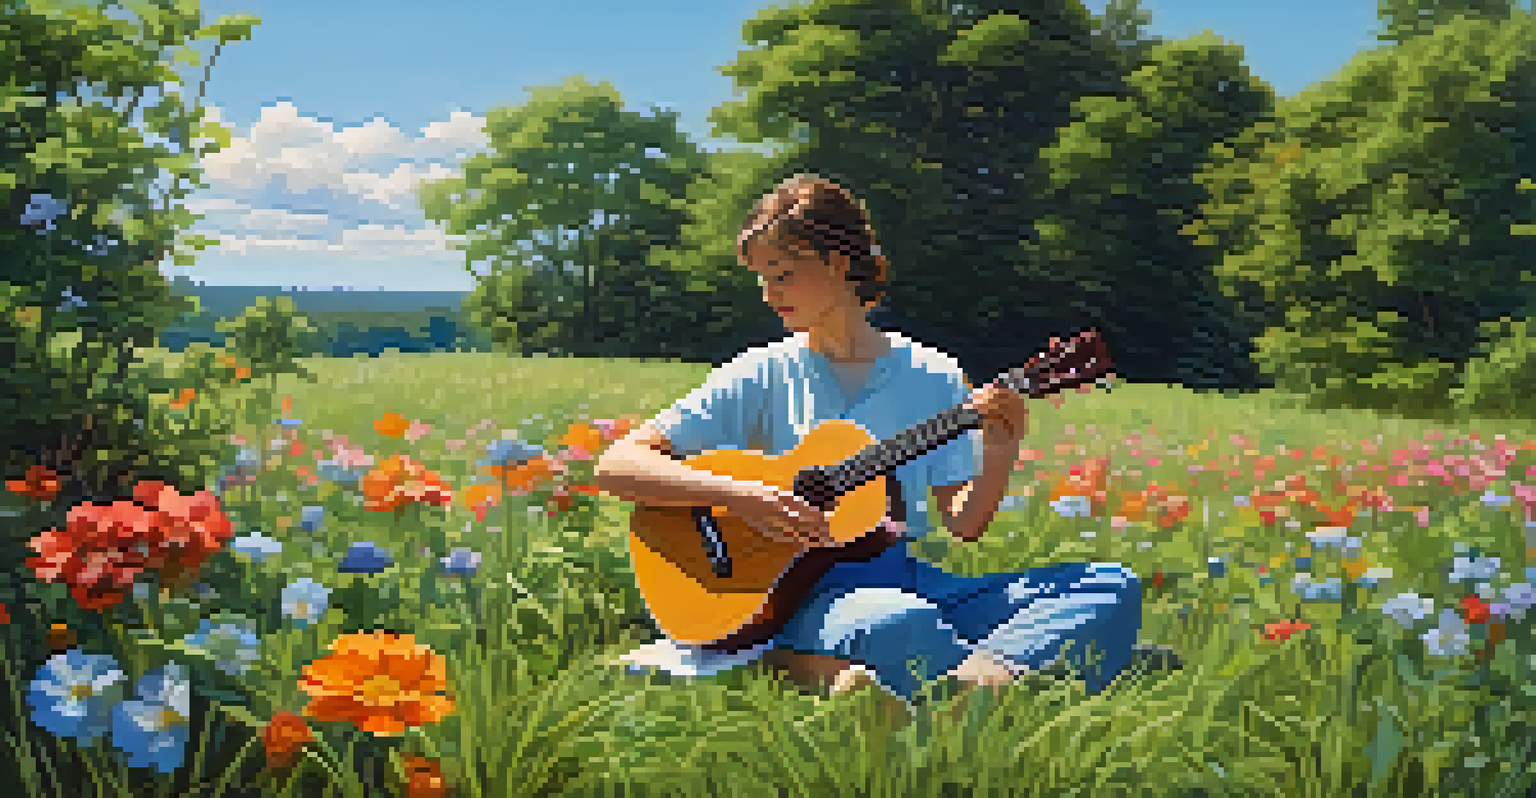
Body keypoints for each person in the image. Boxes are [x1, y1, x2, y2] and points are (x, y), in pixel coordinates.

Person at [594, 174, 1177, 726]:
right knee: (901, 623)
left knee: (1109, 585)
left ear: (838, 262)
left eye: (785, 274)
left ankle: (950, 692)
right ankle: (1020, 672)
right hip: (798, 592)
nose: (771, 294)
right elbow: (619, 464)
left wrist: (1001, 446)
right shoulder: (760, 373)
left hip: (904, 575)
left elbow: (965, 523)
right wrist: (742, 495)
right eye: (763, 278)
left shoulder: (933, 374)